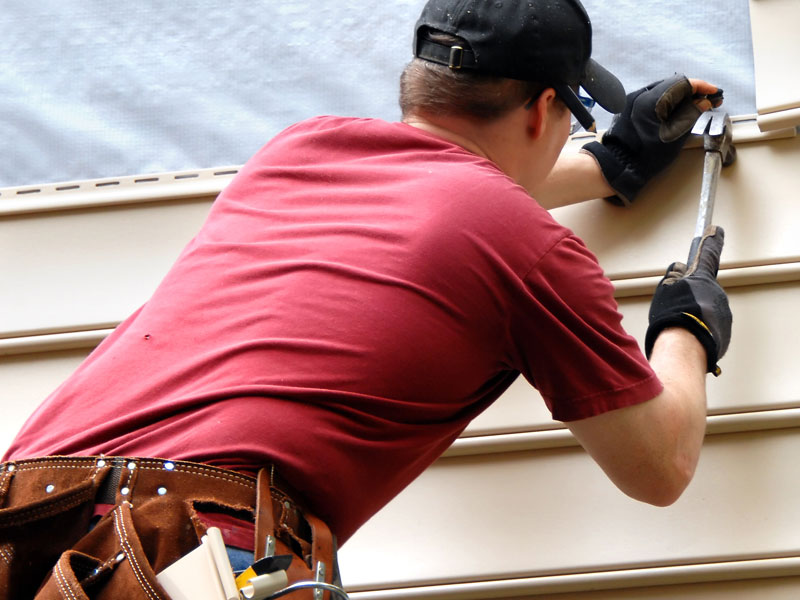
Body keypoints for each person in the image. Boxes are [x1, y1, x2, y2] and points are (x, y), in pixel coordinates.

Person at [0, 0, 732, 598]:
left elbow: (439, 200)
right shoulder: (530, 250)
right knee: (276, 577)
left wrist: (610, 165)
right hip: (192, 546)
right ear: (544, 110)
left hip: (28, 514)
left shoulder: (297, 153)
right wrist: (686, 327)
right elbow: (658, 466)